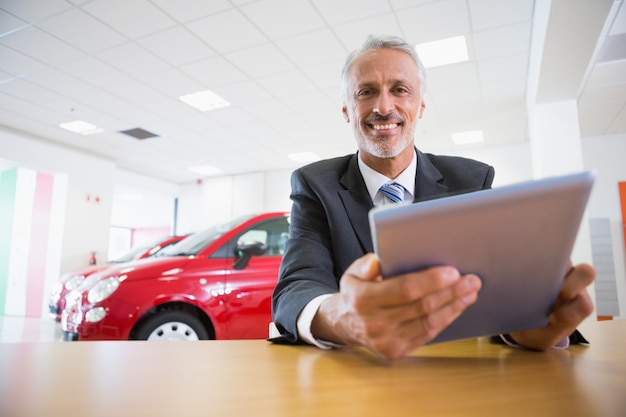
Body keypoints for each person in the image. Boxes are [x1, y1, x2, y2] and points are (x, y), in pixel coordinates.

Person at [270, 34, 595, 361]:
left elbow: (496, 288)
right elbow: (297, 286)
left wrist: (524, 323)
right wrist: (344, 317)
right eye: (366, 92)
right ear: (346, 110)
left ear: (420, 106)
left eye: (400, 90)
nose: (384, 107)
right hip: (361, 374)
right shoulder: (314, 184)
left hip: (458, 371)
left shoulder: (472, 180)